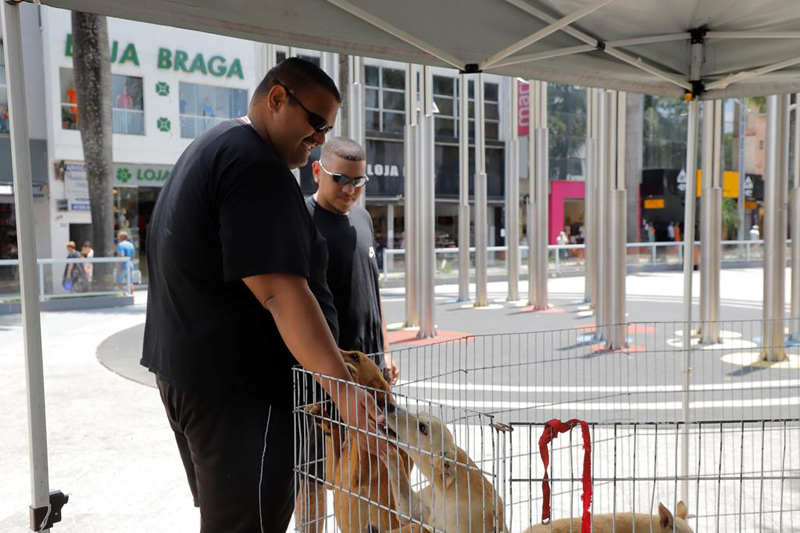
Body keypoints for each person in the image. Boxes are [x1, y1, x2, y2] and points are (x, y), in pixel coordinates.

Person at [140, 58, 385, 533]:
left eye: (327, 128)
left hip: (194, 379)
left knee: (230, 519)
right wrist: (344, 390)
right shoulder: (256, 165)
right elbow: (281, 293)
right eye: (315, 123)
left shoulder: (214, 144)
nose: (319, 138)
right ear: (277, 98)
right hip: (237, 394)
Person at [301, 138, 400, 530]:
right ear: (316, 172)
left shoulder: (363, 218)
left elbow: (373, 291)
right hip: (323, 375)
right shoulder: (300, 220)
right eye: (340, 178)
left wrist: (387, 351)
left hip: (371, 372)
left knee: (375, 470)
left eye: (358, 181)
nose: (349, 189)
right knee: (313, 477)